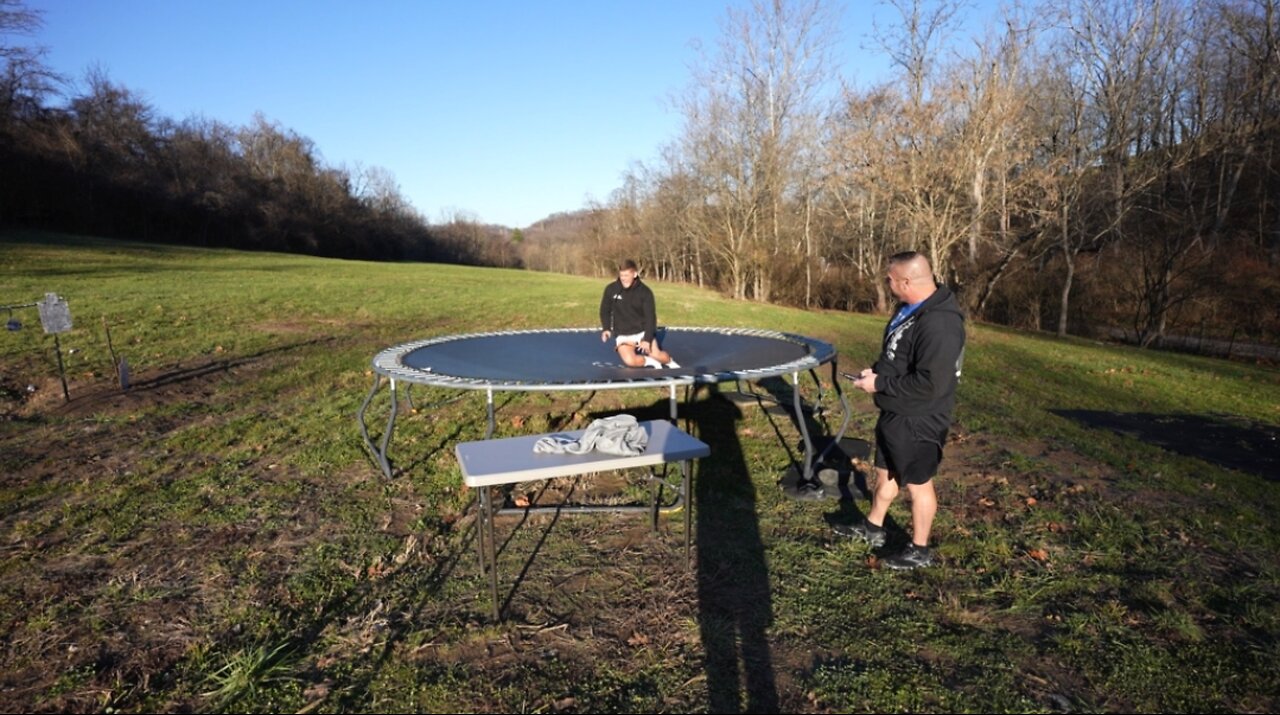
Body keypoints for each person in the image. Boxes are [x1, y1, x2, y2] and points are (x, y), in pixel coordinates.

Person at [841, 251, 965, 570]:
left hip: (919, 417)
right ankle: (873, 528)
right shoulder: (909, 308)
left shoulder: (940, 323)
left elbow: (931, 384)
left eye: (890, 279)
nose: (887, 282)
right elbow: (897, 353)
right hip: (896, 411)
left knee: (918, 483)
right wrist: (875, 372)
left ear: (907, 281)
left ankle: (920, 550)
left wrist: (881, 383)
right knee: (887, 473)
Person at [599, 259, 679, 369]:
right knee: (630, 361)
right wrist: (606, 328)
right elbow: (605, 310)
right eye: (622, 275)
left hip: (641, 332)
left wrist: (647, 340)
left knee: (658, 355)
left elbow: (650, 317)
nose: (624, 279)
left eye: (627, 276)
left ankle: (669, 361)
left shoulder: (645, 292)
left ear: (635, 274)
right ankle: (648, 361)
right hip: (623, 334)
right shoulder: (611, 289)